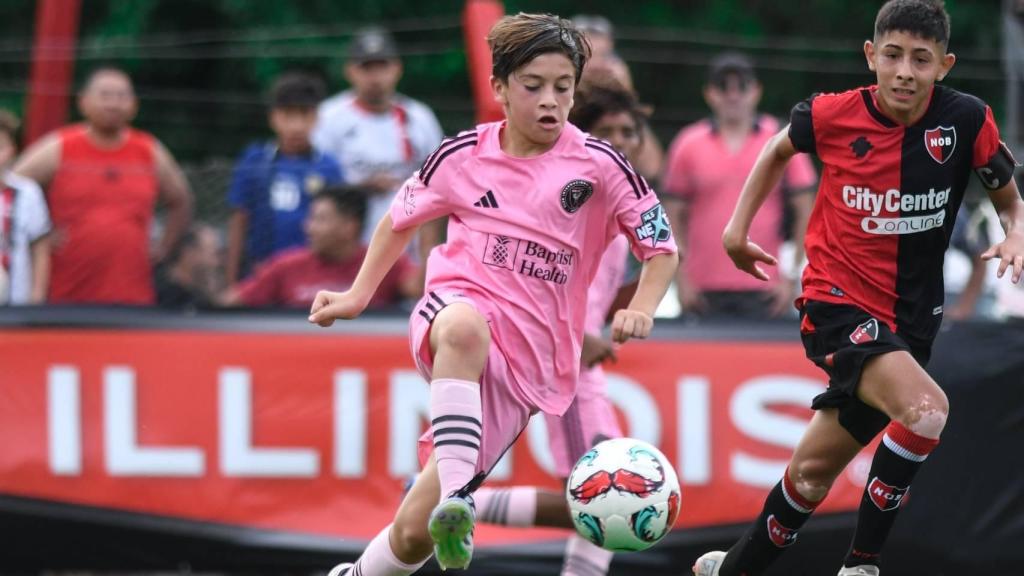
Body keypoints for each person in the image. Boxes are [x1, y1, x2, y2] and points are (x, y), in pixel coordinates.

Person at [309, 13, 678, 576]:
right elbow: (397, 221)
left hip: (529, 365)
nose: (550, 101)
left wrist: (642, 307)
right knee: (463, 325)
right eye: (533, 87)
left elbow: (662, 247)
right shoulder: (461, 155)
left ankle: (362, 567)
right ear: (500, 89)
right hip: (454, 310)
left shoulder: (600, 166)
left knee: (412, 534)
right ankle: (461, 497)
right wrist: (359, 294)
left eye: (563, 88)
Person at [694, 2, 1024, 575]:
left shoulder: (967, 120)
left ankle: (732, 570)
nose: (904, 72)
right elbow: (776, 150)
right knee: (925, 411)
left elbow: (1009, 200)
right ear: (871, 56)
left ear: (943, 66)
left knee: (810, 476)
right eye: (892, 55)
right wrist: (735, 229)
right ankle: (861, 565)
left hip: (911, 325)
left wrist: (1016, 233)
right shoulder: (831, 115)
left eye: (921, 60)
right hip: (835, 305)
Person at [469, 78, 647, 576]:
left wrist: (609, 320)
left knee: (607, 501)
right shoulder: (570, 200)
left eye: (629, 131)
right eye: (607, 131)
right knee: (609, 497)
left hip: (577, 367)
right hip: (559, 369)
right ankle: (456, 503)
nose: (621, 141)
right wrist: (575, 338)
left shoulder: (622, 202)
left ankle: (454, 502)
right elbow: (529, 280)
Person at [14, 66, 193, 305]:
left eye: (121, 96)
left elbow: (181, 200)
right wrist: (41, 235)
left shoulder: (149, 150)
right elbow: (12, 188)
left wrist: (163, 247)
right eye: (105, 95)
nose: (113, 104)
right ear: (83, 102)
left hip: (132, 290)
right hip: (65, 288)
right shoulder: (59, 147)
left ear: (134, 105)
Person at [664, 52, 818, 320]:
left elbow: (807, 212)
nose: (733, 95)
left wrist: (792, 278)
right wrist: (679, 277)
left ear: (756, 91)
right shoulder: (688, 143)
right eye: (723, 87)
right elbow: (670, 216)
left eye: (742, 86)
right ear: (710, 93)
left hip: (767, 289)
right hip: (702, 289)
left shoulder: (782, 139)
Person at [312, 26, 443, 244]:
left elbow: (439, 186)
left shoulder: (420, 118)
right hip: (346, 248)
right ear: (350, 71)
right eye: (366, 68)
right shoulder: (328, 117)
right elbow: (316, 183)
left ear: (397, 69)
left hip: (408, 247)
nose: (375, 77)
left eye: (382, 67)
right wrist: (362, 187)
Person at [225, 71, 343, 286]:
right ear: (273, 117)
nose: (296, 125)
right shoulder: (255, 160)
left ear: (316, 118)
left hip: (310, 279)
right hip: (259, 272)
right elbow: (239, 219)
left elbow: (339, 227)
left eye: (304, 115)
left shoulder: (329, 166)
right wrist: (232, 279)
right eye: (288, 115)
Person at [225, 185, 419, 309]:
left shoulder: (385, 262)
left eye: (320, 219)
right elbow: (231, 302)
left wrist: (427, 233)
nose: (309, 227)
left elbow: (417, 289)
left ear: (349, 227)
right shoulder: (286, 267)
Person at [0, 109, 50, 305]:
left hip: (16, 301)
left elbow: (40, 246)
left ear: (12, 150)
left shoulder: (27, 192)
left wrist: (36, 297)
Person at [154, 223, 222, 310]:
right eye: (213, 255)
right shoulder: (160, 292)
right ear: (190, 254)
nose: (216, 263)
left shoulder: (199, 296)